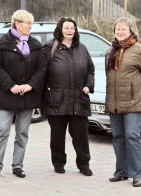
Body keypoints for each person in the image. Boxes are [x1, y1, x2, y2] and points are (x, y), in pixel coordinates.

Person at [0, 10, 47, 180]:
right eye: (27, 23)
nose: (30, 26)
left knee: (22, 133)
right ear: (17, 23)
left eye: (31, 23)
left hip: (27, 96)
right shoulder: (1, 43)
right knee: (2, 130)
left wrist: (30, 85)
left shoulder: (35, 44)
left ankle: (18, 166)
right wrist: (11, 86)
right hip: (6, 95)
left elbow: (42, 68)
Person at [105, 17, 141, 187]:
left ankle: (136, 173)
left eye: (123, 29)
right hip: (115, 102)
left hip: (134, 103)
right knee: (118, 137)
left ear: (132, 31)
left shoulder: (140, 50)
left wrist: (139, 94)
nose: (120, 32)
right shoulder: (110, 51)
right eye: (117, 29)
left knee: (132, 136)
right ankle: (121, 172)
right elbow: (109, 76)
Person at [42, 17, 95, 176]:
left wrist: (89, 85)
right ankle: (58, 163)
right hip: (56, 100)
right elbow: (41, 73)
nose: (70, 30)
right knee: (57, 136)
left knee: (81, 136)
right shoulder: (50, 48)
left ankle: (84, 164)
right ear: (60, 29)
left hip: (79, 100)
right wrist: (40, 99)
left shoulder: (82, 48)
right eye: (66, 27)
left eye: (72, 27)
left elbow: (90, 70)